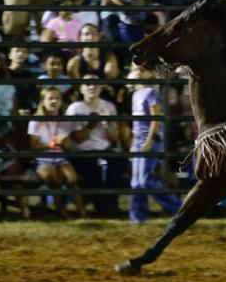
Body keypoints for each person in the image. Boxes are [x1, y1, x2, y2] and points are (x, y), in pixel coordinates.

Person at [61, 76, 125, 217]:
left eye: (95, 84)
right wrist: (91, 126)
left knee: (117, 165)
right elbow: (76, 138)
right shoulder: (75, 108)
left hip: (105, 151)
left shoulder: (109, 106)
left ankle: (110, 207)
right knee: (95, 168)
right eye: (88, 84)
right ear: (81, 88)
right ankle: (102, 209)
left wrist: (108, 123)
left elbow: (114, 138)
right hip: (83, 152)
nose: (92, 87)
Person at [128, 65, 182, 224]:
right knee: (136, 182)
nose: (139, 72)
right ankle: (138, 218)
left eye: (143, 69)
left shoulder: (151, 92)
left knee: (144, 181)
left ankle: (178, 208)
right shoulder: (136, 93)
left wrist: (149, 140)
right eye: (136, 69)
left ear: (150, 73)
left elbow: (156, 119)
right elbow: (136, 124)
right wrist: (134, 143)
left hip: (150, 140)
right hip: (139, 140)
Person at [28, 86, 87, 218]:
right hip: (43, 158)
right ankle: (63, 213)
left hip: (60, 157)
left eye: (57, 98)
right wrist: (48, 145)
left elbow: (69, 146)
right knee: (53, 179)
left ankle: (83, 213)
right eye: (51, 98)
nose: (54, 101)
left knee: (72, 180)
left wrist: (65, 143)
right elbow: (34, 144)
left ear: (61, 101)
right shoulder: (36, 120)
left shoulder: (65, 120)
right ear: (43, 101)